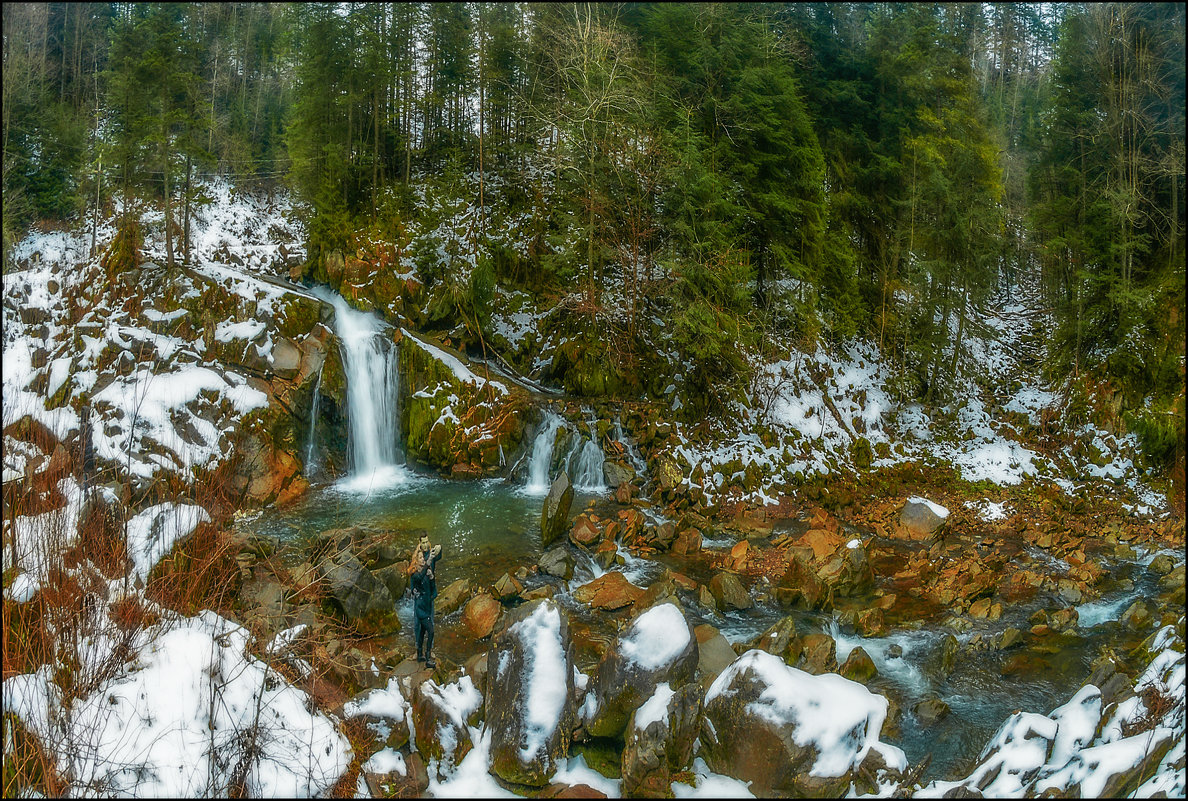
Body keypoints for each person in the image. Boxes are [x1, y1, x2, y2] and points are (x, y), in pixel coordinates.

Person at [409, 535, 442, 667]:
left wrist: (432, 577)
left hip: (428, 600)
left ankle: (424, 652)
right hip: (420, 603)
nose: (426, 544)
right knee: (421, 627)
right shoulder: (416, 571)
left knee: (426, 627)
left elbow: (432, 587)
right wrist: (413, 592)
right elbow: (416, 578)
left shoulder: (430, 557)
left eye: (427, 541)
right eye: (423, 542)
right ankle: (423, 654)